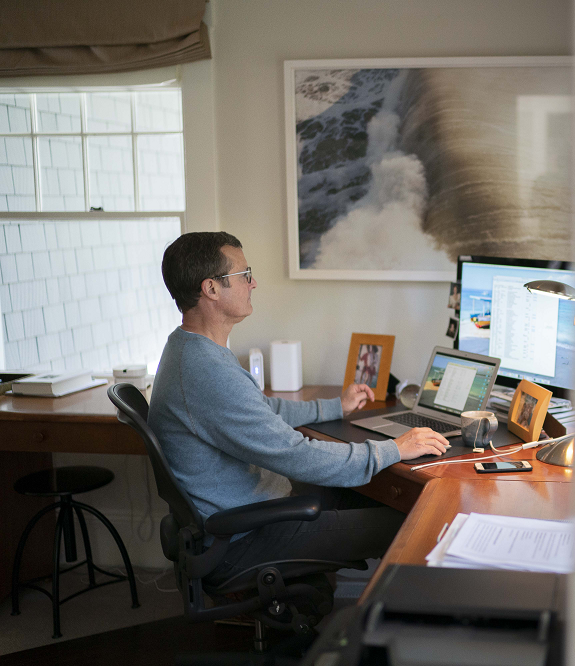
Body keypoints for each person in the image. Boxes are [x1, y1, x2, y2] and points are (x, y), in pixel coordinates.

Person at [148, 231, 449, 590]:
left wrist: (335, 406)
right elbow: (294, 454)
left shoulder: (190, 349)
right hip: (244, 538)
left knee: (371, 494)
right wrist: (393, 449)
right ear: (211, 289)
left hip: (250, 514)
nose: (253, 283)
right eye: (244, 275)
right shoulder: (205, 370)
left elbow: (260, 410)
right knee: (415, 522)